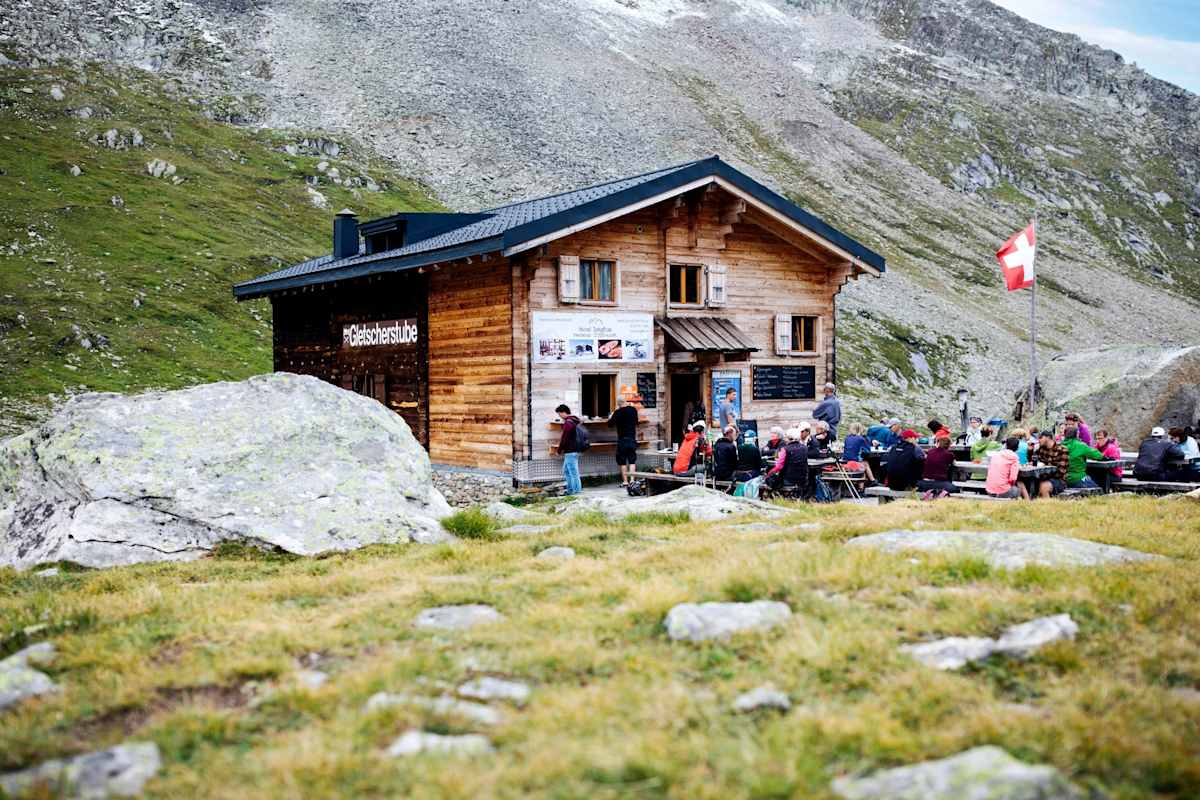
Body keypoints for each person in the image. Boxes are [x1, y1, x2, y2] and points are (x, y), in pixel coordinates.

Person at [607, 396, 639, 487]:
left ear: (618, 404)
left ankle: (625, 482)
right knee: (632, 460)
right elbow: (636, 422)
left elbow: (610, 424)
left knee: (622, 461)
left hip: (622, 440)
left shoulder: (617, 412)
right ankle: (632, 480)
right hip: (632, 438)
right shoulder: (633, 410)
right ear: (625, 401)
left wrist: (612, 415)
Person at [1032, 429, 1070, 498]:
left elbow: (1061, 472)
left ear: (1048, 438)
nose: (1038, 440)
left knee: (1044, 486)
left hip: (1059, 480)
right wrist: (1030, 450)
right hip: (1043, 478)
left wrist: (1045, 470)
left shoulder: (1062, 449)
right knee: (1027, 483)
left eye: (1040, 438)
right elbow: (1033, 461)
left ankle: (1047, 507)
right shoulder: (1041, 448)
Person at [556, 404, 583, 495]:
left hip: (571, 450)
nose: (559, 416)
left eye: (559, 414)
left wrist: (559, 450)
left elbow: (564, 438)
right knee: (567, 470)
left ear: (563, 412)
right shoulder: (574, 420)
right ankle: (572, 489)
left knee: (572, 471)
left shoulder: (568, 423)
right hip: (574, 449)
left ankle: (574, 491)